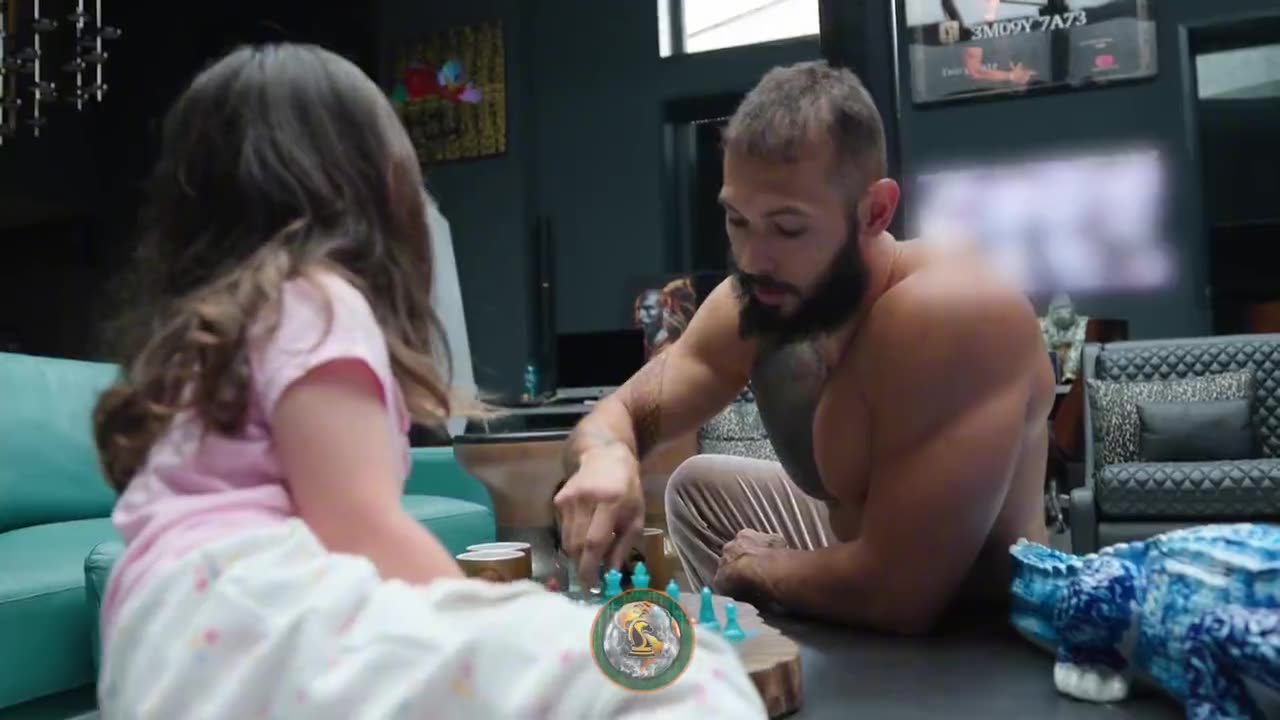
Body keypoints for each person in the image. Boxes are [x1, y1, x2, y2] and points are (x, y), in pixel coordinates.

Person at [92, 43, 765, 719]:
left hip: (152, 648)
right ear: (384, 192)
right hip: (253, 623)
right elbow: (359, 528)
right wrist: (485, 613)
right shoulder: (317, 301)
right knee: (678, 670)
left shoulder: (202, 340)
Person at [555, 61, 1054, 635]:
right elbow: (620, 414)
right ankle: (757, 649)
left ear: (876, 211)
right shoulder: (763, 299)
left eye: (788, 229)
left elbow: (900, 594)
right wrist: (606, 456)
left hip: (966, 625)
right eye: (738, 221)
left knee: (776, 568)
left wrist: (761, 568)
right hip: (869, 552)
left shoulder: (953, 310)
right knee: (697, 487)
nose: (751, 259)